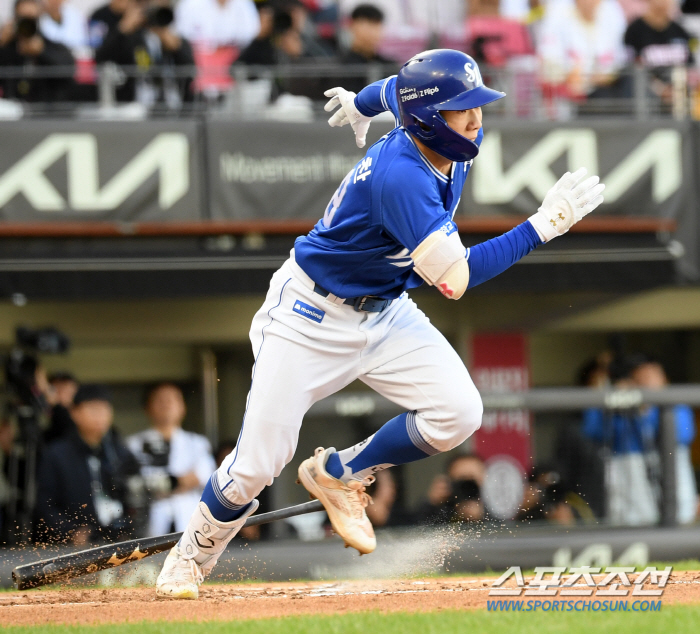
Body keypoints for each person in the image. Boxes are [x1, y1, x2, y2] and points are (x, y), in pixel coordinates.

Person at [155, 48, 605, 599]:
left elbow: (394, 88)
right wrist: (541, 226)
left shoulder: (429, 123)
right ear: (431, 117)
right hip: (309, 315)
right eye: (463, 108)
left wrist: (362, 104)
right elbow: (456, 280)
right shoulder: (402, 176)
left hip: (384, 307)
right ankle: (188, 560)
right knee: (257, 464)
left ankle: (342, 471)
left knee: (458, 411)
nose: (476, 117)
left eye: (477, 104)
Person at [34, 384, 143, 545]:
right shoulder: (57, 454)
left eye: (104, 409)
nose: (100, 415)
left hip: (119, 540)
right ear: (74, 413)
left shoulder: (121, 452)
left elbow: (137, 495)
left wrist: (129, 527)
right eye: (93, 409)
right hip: (73, 545)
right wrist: (70, 532)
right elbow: (45, 504)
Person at [126, 383, 216, 536]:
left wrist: (163, 485)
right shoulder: (133, 444)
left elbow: (204, 478)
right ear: (147, 407)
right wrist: (178, 482)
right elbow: (134, 484)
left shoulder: (197, 442)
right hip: (151, 520)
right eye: (160, 400)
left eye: (172, 400)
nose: (166, 405)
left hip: (189, 517)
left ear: (182, 407)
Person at [94, 0, 195, 106]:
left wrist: (177, 49)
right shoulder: (128, 38)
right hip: (134, 105)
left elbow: (190, 72)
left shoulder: (174, 39)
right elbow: (101, 58)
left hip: (171, 105)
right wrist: (122, 29)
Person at [537, 0, 628, 102]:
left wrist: (608, 75)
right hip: (572, 89)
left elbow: (622, 55)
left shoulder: (611, 9)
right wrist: (568, 75)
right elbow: (549, 55)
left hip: (608, 84)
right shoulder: (558, 11)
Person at [0, 0, 75, 102]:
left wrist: (42, 52)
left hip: (46, 109)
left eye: (31, 20)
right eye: (23, 19)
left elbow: (68, 72)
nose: (27, 26)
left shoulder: (52, 47)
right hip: (12, 109)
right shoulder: (7, 48)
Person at [625, 0, 695, 107]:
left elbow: (689, 65)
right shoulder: (635, 31)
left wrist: (676, 88)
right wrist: (660, 89)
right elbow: (633, 67)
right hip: (646, 96)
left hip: (679, 93)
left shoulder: (679, 31)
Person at [336, 4, 394, 94]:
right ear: (352, 25)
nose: (374, 30)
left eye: (377, 24)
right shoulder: (340, 67)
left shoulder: (389, 66)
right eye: (369, 24)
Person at [174, 0, 260, 50]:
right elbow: (181, 33)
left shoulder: (244, 3)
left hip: (237, 57)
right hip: (198, 58)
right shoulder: (190, 3)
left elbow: (253, 31)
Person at [43, 371, 79, 443]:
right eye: (58, 389)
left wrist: (56, 406)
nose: (62, 394)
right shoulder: (47, 411)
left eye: (67, 389)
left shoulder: (82, 415)